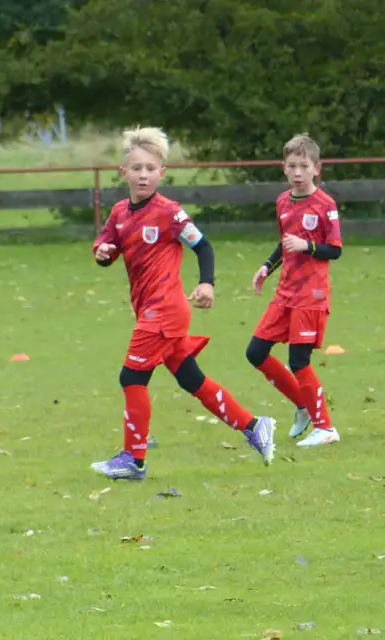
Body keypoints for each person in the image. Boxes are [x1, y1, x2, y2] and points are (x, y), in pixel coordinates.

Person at [90, 125, 276, 479]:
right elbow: (106, 251)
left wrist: (207, 283)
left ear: (162, 173)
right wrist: (102, 253)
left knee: (131, 377)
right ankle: (254, 427)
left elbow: (203, 246)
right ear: (123, 172)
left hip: (165, 310)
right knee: (192, 379)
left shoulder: (169, 213)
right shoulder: (119, 213)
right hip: (150, 311)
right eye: (136, 168)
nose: (143, 175)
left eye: (150, 169)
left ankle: (133, 459)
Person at [245, 133, 342, 447]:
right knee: (256, 352)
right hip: (285, 293)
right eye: (292, 166)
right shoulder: (283, 201)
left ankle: (325, 427)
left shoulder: (325, 205)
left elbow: (335, 249)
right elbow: (284, 244)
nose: (298, 172)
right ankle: (302, 406)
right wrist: (266, 267)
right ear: (283, 169)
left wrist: (308, 246)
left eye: (304, 165)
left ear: (317, 168)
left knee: (299, 360)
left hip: (311, 295)